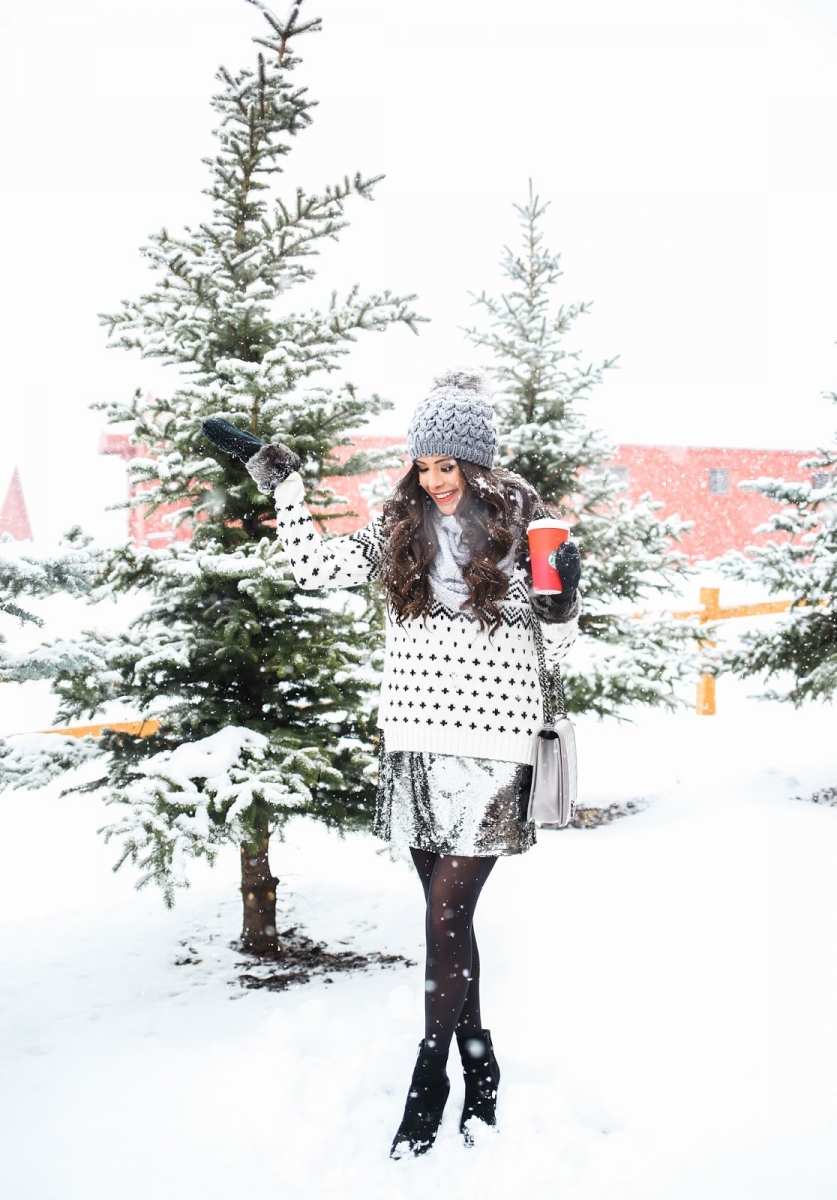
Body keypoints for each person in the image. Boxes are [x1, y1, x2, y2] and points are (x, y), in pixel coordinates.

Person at [244, 368, 581, 1158]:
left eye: (447, 468)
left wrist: (561, 603)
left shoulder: (529, 527)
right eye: (423, 467)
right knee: (445, 920)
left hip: (496, 740)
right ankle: (478, 1060)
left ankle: (428, 1073)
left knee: (445, 914)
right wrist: (289, 492)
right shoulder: (397, 524)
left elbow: (559, 650)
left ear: (479, 466)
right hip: (416, 736)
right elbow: (314, 568)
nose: (433, 482)